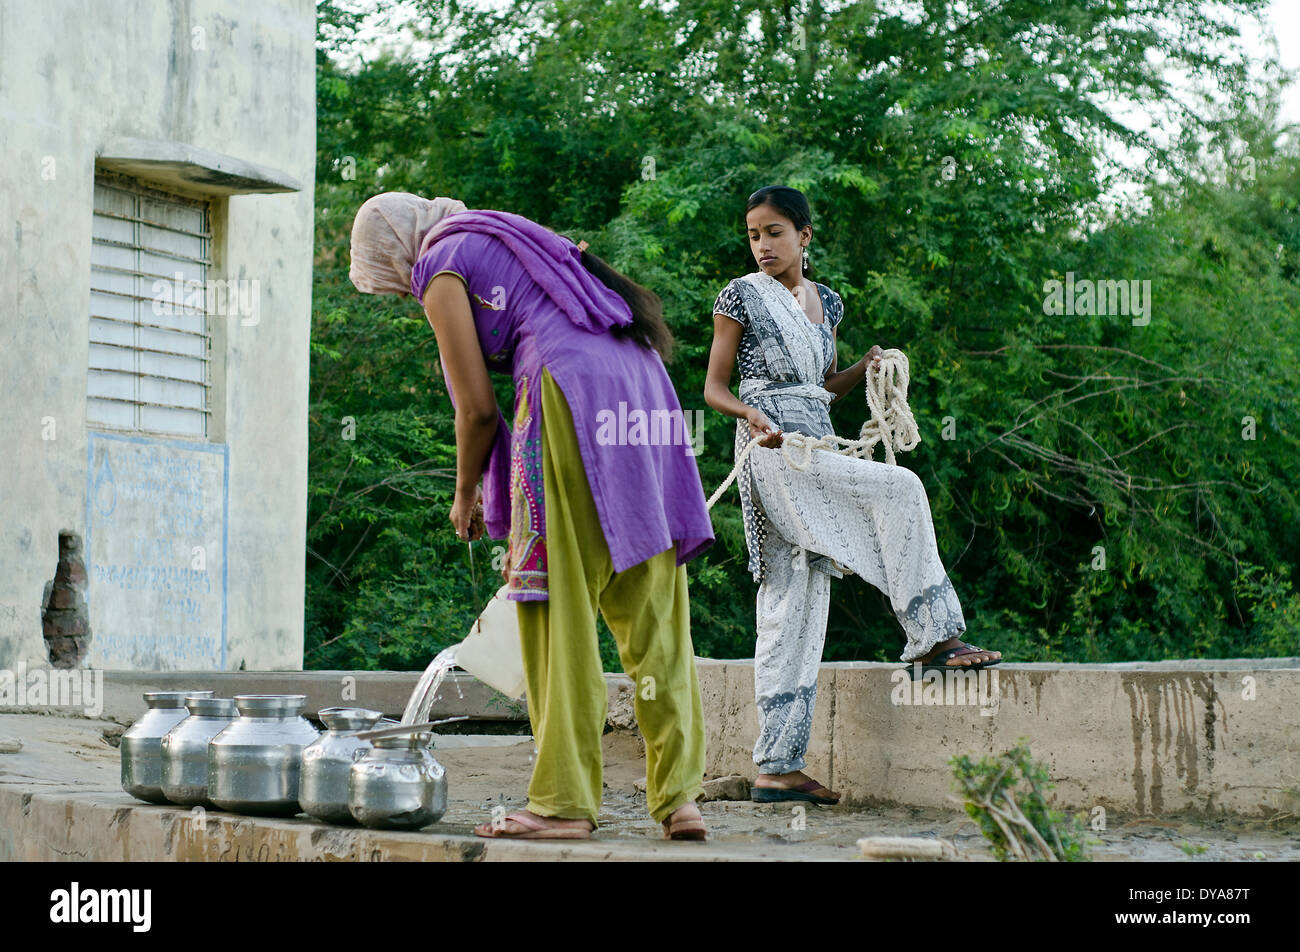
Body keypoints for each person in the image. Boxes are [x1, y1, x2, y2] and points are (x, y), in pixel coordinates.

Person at [349, 192, 715, 839]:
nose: (407, 299)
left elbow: (478, 410)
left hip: (566, 385)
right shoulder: (495, 236)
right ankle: (680, 797)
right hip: (641, 384)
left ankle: (564, 804)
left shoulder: (437, 265)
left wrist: (464, 494)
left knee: (556, 604)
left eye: (393, 287)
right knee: (652, 599)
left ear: (393, 254)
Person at [703, 185, 1001, 805]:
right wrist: (752, 417)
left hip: (817, 439)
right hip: (772, 449)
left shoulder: (827, 302)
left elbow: (823, 389)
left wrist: (863, 368)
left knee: (797, 599)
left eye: (775, 233)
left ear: (805, 236)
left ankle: (776, 767)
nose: (762, 245)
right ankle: (932, 635)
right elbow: (713, 388)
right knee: (900, 488)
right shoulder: (740, 297)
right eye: (754, 234)